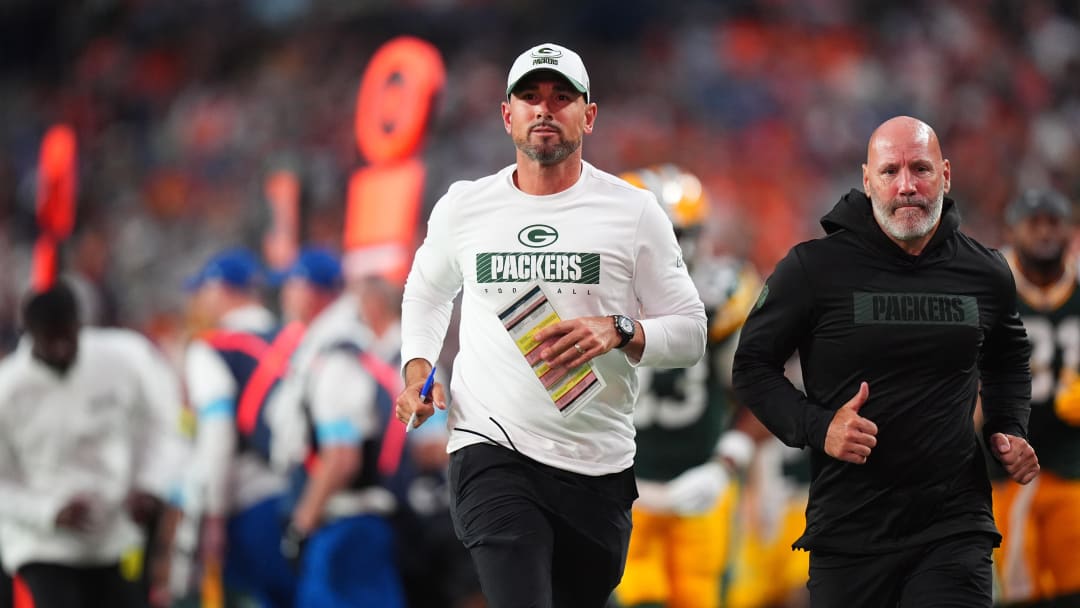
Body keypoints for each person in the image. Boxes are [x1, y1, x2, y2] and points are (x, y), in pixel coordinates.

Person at [396, 42, 707, 608]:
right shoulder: (465, 206)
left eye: (561, 97)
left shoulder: (632, 211)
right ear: (506, 114)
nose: (544, 109)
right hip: (490, 445)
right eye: (530, 97)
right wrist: (418, 367)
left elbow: (690, 332)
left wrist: (618, 329)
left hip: (597, 462)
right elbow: (427, 290)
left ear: (588, 116)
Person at [731, 115, 1039, 608]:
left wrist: (1009, 426)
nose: (907, 186)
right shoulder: (813, 269)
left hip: (954, 526)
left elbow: (1007, 358)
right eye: (890, 171)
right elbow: (751, 367)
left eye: (920, 169)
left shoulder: (986, 271)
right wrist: (819, 426)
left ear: (945, 175)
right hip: (849, 531)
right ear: (867, 179)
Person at [612, 164, 761, 608]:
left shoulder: (722, 296)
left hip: (699, 489)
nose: (675, 250)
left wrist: (725, 464)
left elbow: (763, 395)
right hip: (619, 493)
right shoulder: (587, 295)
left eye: (683, 235)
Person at [0, 281, 179, 607]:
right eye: (48, 341)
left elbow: (160, 428)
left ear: (80, 326)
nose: (59, 349)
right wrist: (50, 512)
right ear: (28, 334)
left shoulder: (122, 361)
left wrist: (149, 484)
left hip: (113, 536)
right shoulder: (8, 390)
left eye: (67, 337)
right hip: (42, 544)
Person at [180, 247, 296, 607]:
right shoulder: (296, 338)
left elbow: (218, 435)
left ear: (220, 289)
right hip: (302, 493)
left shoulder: (211, 348)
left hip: (248, 500)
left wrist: (213, 513)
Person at [995, 189, 1080, 606]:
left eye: (1053, 222)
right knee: (1019, 590)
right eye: (1035, 223)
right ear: (1013, 231)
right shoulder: (990, 287)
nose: (1045, 232)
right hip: (1006, 469)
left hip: (1072, 462)